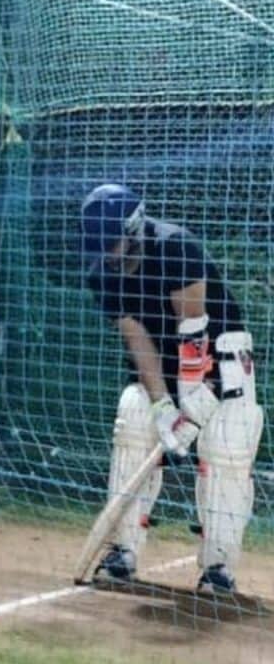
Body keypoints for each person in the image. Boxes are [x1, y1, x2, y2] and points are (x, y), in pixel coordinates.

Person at [81, 183, 263, 595]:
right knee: (134, 417)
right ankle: (122, 551)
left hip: (220, 357)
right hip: (162, 363)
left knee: (225, 446)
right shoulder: (100, 273)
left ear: (133, 229)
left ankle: (218, 566)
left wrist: (195, 398)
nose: (107, 253)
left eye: (112, 242)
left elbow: (192, 323)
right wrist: (164, 407)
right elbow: (137, 339)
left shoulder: (175, 247)